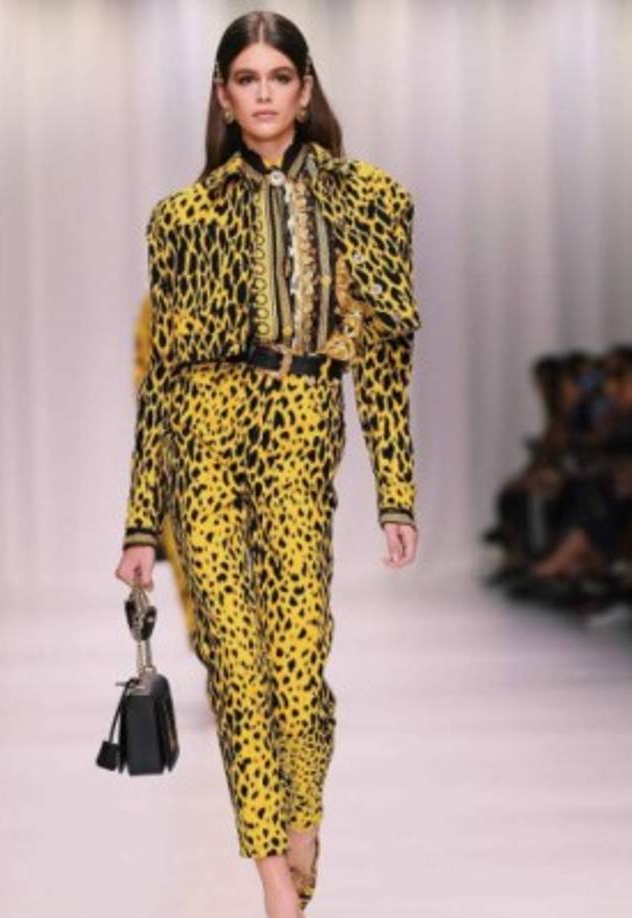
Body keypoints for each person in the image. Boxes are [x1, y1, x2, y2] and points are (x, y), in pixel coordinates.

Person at [114, 10, 422, 917]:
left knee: (297, 659)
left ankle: (303, 819)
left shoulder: (371, 199)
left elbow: (385, 361)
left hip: (300, 427)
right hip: (206, 437)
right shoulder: (182, 218)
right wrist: (141, 522)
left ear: (305, 88)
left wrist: (396, 494)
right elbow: (164, 379)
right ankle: (275, 886)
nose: (262, 94)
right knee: (235, 672)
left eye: (277, 77)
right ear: (222, 95)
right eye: (245, 79)